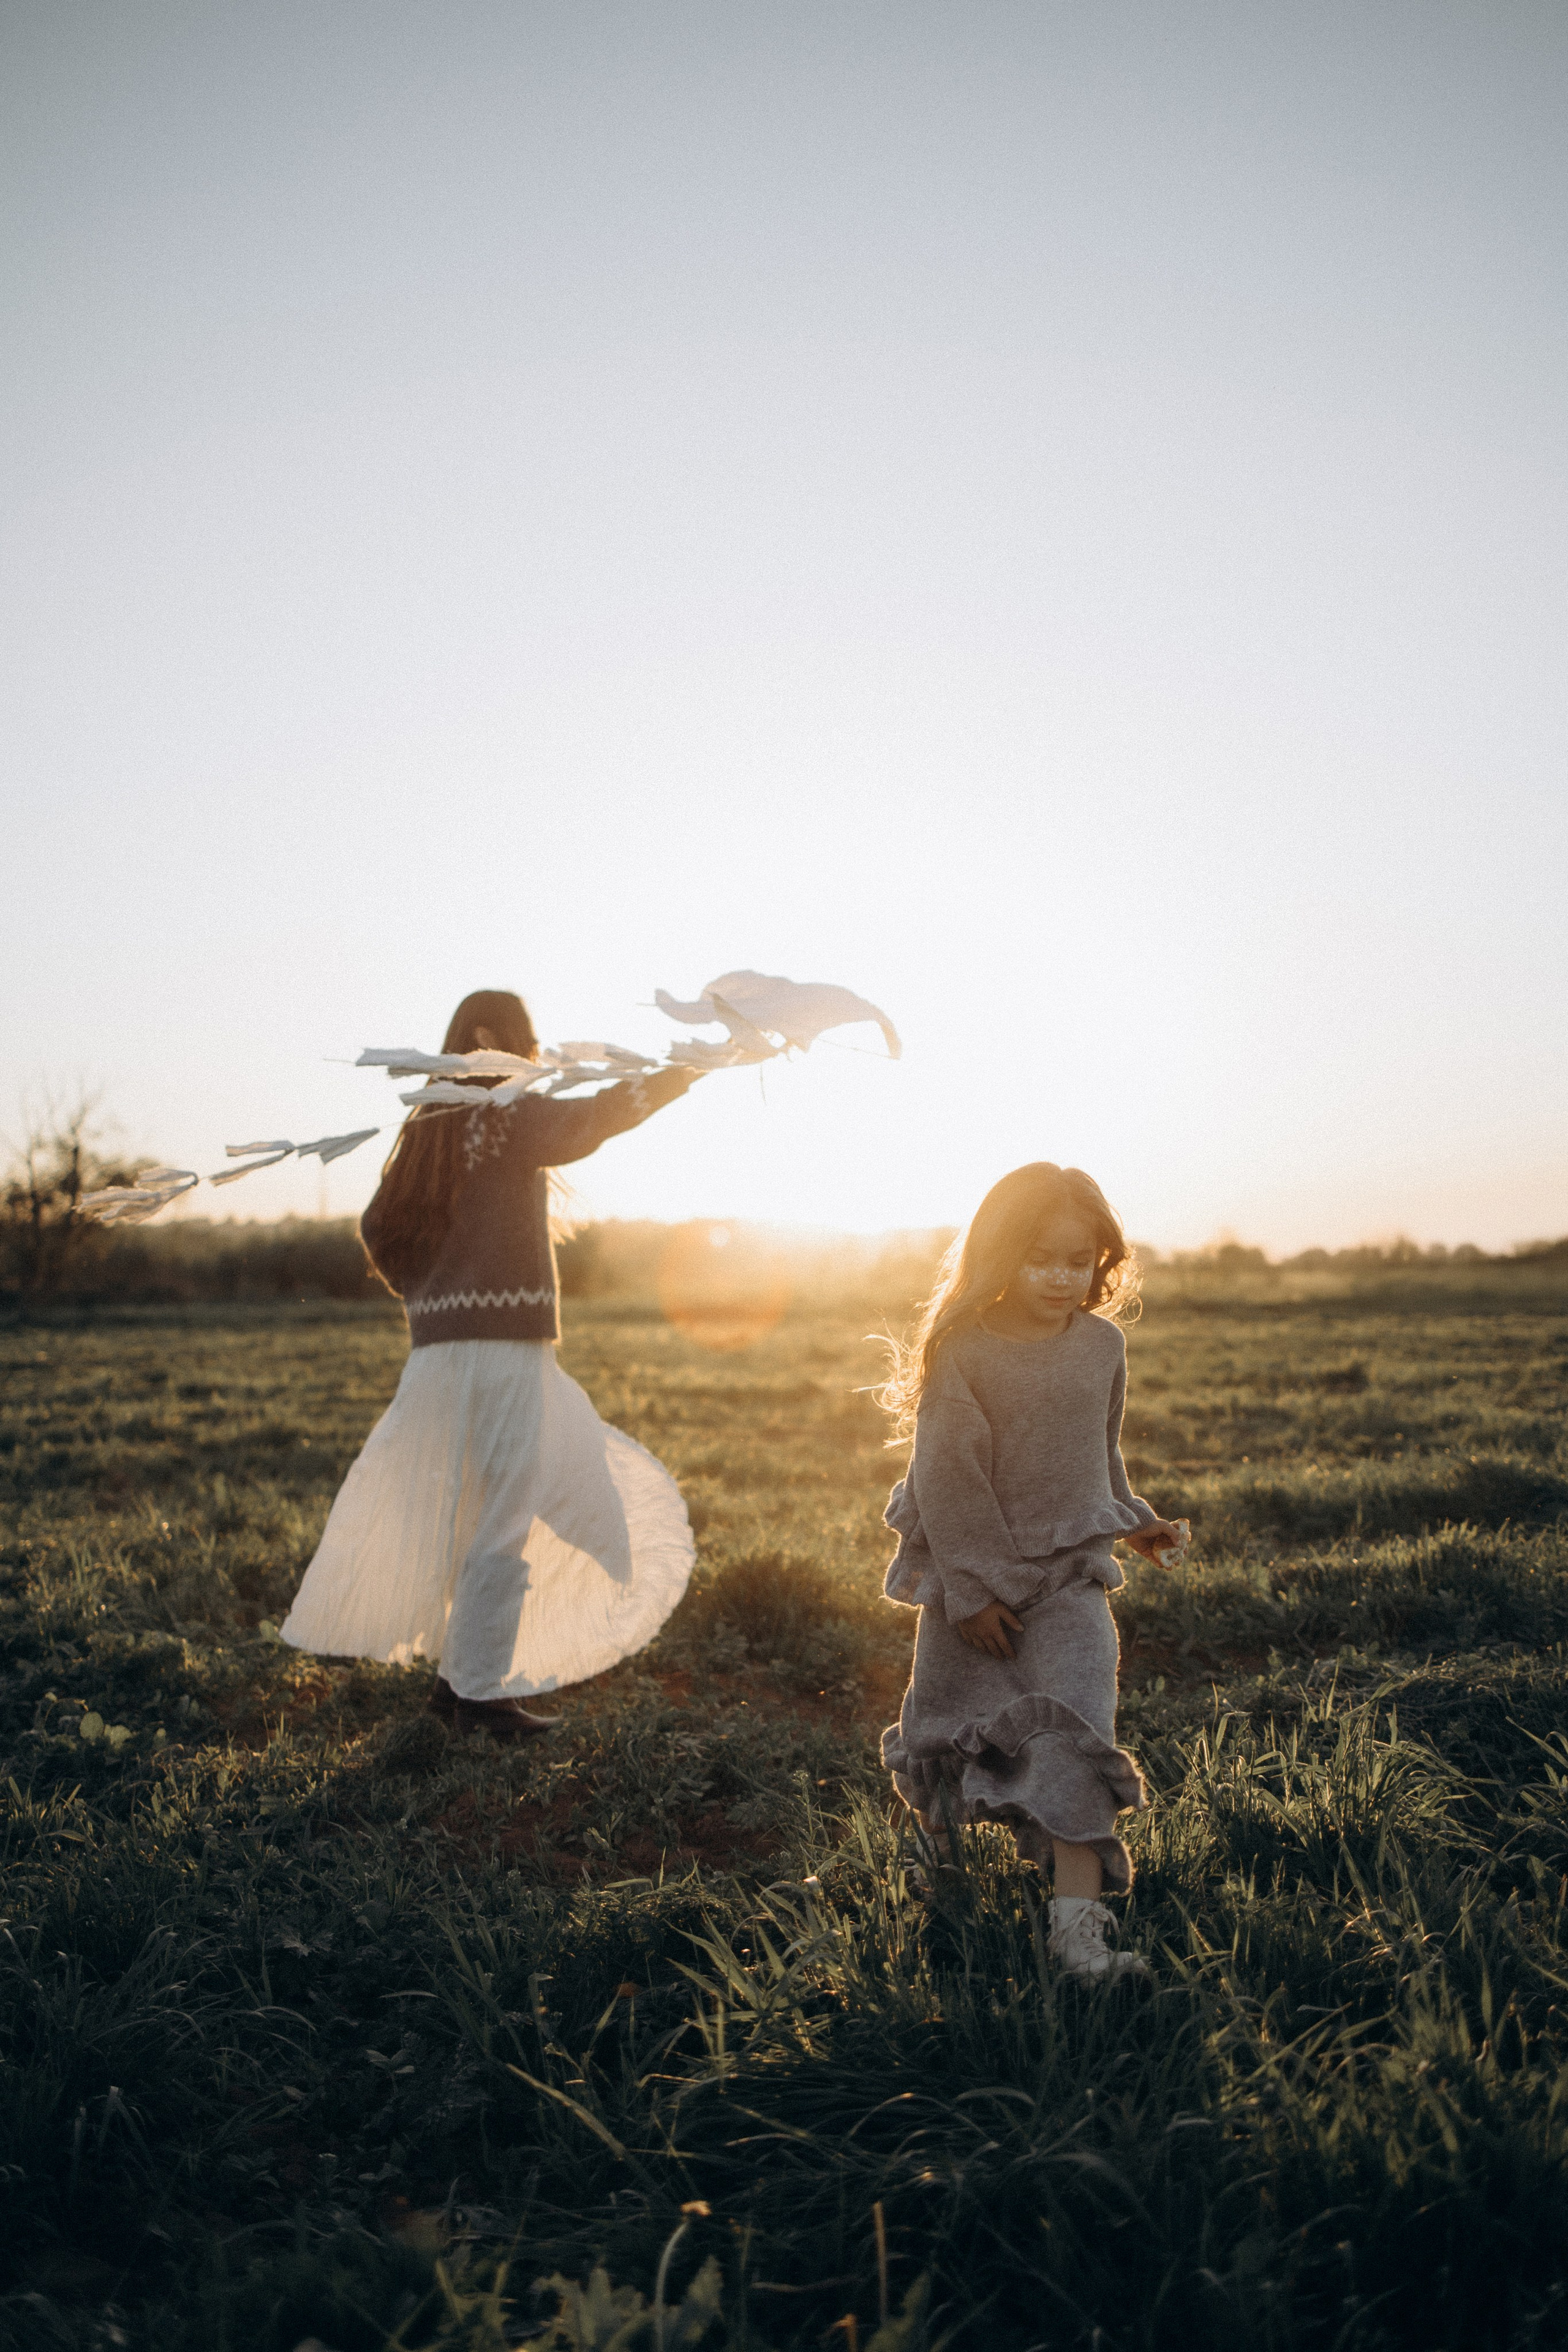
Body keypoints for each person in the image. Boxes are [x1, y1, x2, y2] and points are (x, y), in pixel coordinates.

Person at [280, 988, 699, 1739]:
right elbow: (594, 1117)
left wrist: (430, 1296)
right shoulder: (506, 1113)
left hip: (437, 1359)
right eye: (525, 1042)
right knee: (503, 1518)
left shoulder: (426, 1125)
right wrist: (683, 1072)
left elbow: (376, 1225)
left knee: (470, 1515)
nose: (533, 1057)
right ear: (484, 1036)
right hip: (505, 1352)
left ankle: (457, 1688)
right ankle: (478, 1700)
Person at [878, 1162, 1183, 1980]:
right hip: (973, 1586)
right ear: (999, 1255)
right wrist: (972, 1592)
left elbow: (1100, 1454)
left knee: (1080, 1730)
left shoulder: (1102, 1346)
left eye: (1078, 1261)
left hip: (1070, 1582)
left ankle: (1078, 1935)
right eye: (1039, 1258)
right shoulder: (963, 1350)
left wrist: (1135, 1521)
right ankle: (935, 1888)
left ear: (1101, 1261)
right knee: (951, 1734)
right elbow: (948, 1477)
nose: (1060, 1277)